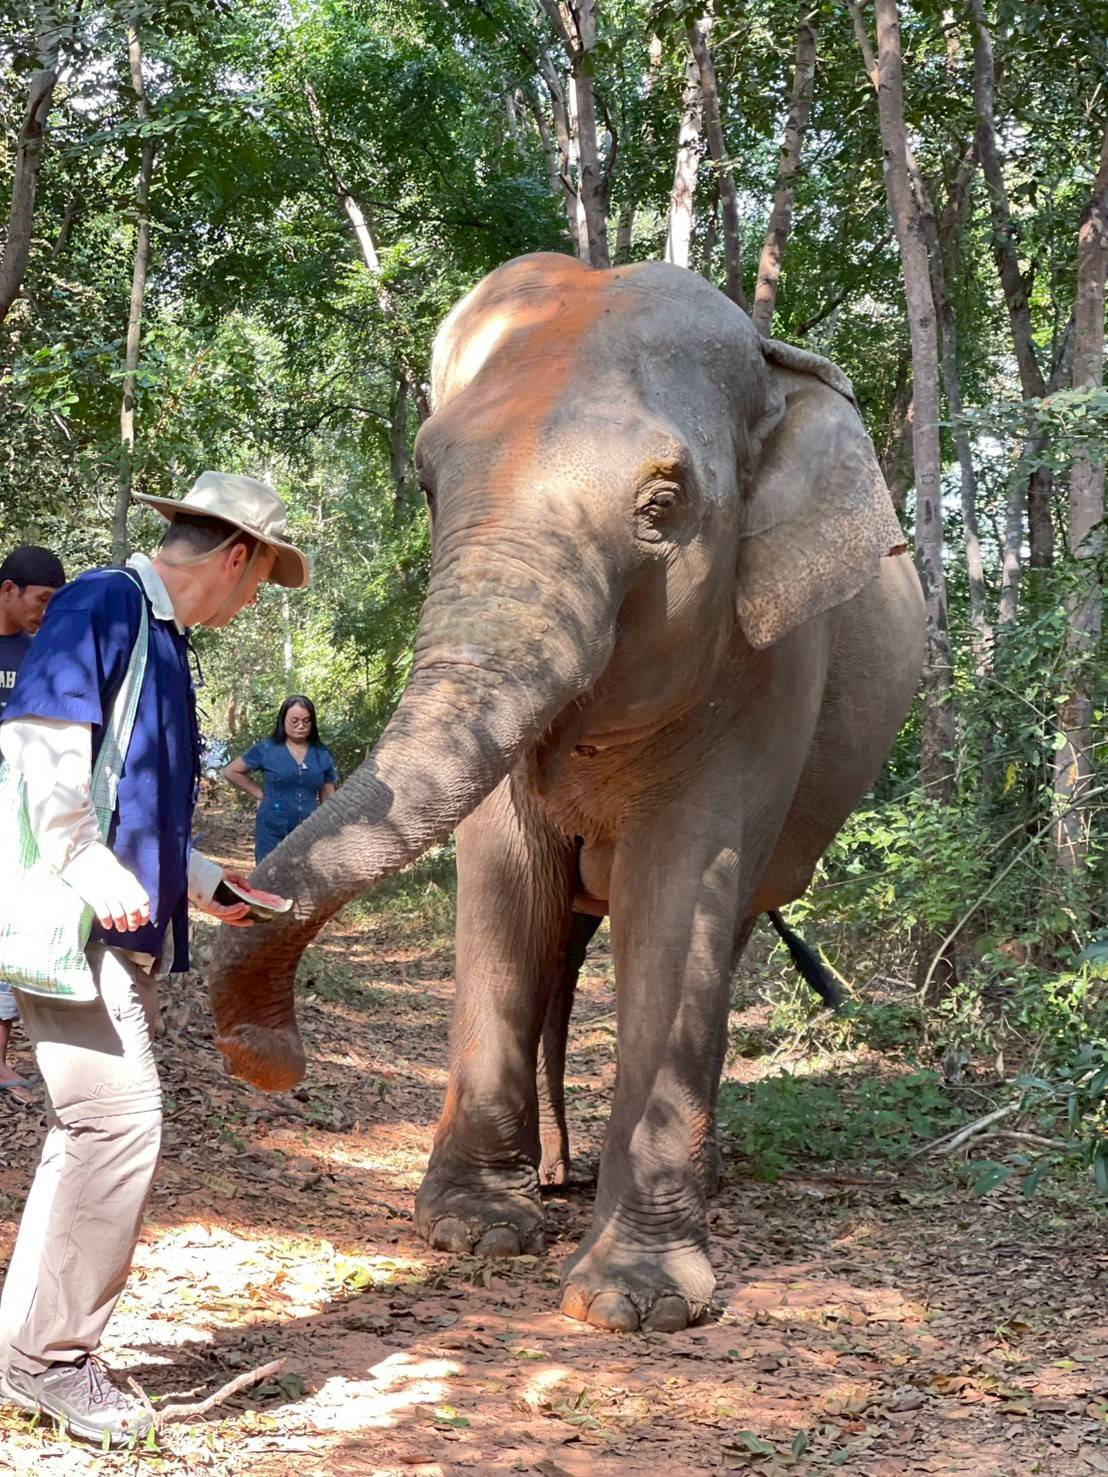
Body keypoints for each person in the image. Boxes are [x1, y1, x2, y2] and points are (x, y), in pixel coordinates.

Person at [0, 472, 309, 1446]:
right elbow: (42, 737)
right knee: (120, 1122)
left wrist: (209, 883)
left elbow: (139, 810)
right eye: (261, 579)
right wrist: (85, 858)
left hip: (97, 923)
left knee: (90, 1128)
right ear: (234, 557)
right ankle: (51, 1361)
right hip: (62, 916)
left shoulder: (164, 648)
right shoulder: (106, 600)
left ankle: (29, 1348)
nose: (255, 599)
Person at [0, 546, 67, 1101]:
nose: (43, 613)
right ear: (8, 590)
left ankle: (0, 1063)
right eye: (41, 600)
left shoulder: (36, 654)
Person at [224, 695, 338, 861]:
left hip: (309, 831)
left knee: (304, 882)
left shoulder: (321, 754)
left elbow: (328, 797)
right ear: (283, 720)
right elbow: (231, 771)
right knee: (267, 882)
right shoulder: (267, 748)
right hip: (272, 828)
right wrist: (260, 794)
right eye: (294, 720)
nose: (301, 726)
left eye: (306, 721)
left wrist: (331, 829)